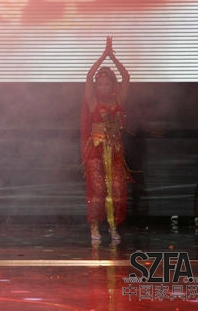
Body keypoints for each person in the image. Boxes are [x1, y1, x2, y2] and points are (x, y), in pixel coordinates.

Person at [81, 36, 131, 245]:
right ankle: (94, 226)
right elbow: (88, 76)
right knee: (98, 189)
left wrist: (113, 57)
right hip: (96, 150)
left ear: (112, 84)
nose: (102, 86)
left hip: (115, 150)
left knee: (117, 189)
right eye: (99, 83)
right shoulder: (92, 101)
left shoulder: (118, 100)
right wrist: (103, 55)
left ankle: (113, 226)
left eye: (106, 83)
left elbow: (126, 77)